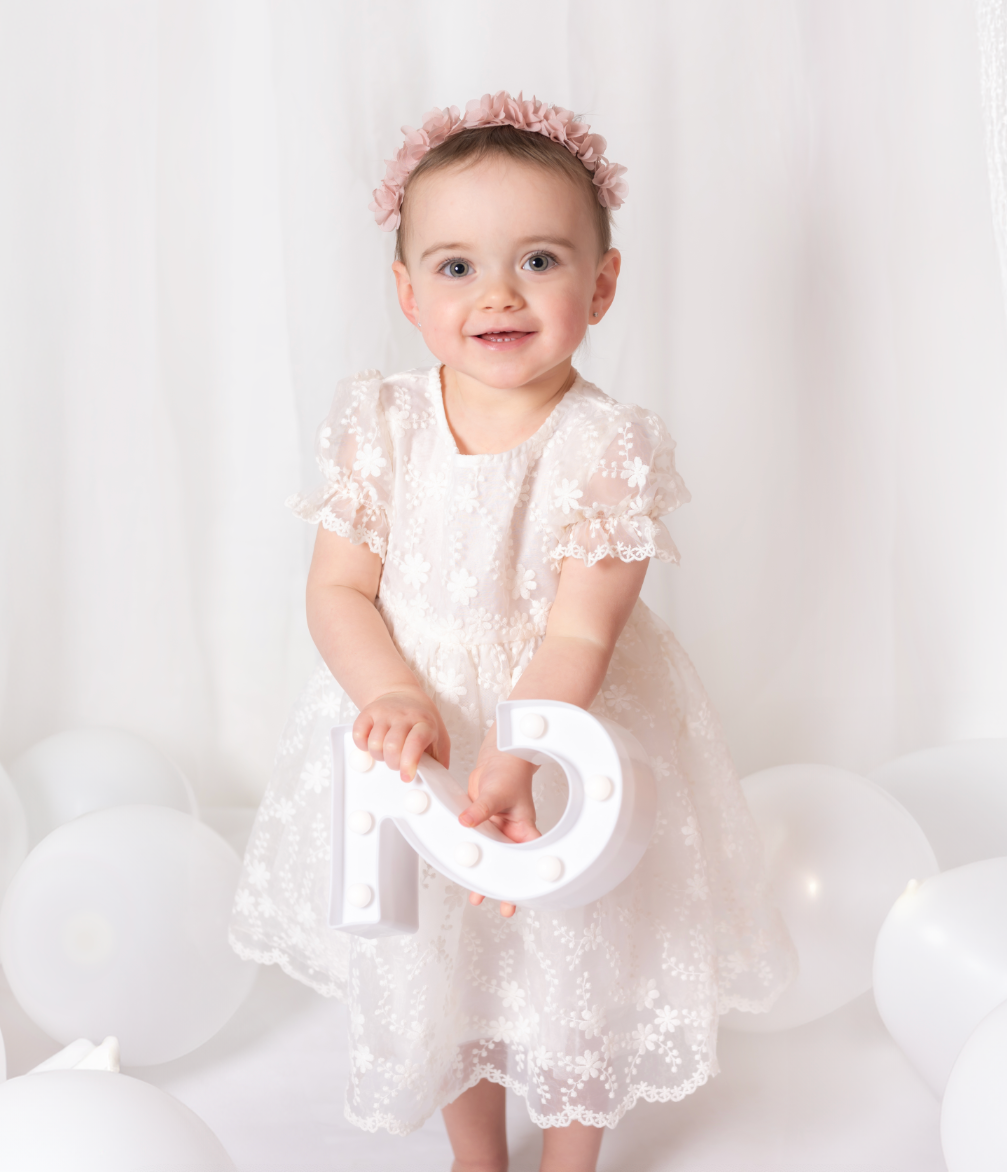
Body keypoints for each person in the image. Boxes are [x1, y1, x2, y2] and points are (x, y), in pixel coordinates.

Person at [230, 92, 795, 1172]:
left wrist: (525, 745)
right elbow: (338, 589)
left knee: (571, 950)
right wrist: (389, 692)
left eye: (538, 259)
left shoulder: (607, 446)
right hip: (416, 722)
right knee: (444, 950)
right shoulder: (380, 424)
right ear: (405, 290)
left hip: (561, 717)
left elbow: (585, 624)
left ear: (603, 282)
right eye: (455, 267)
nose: (497, 292)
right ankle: (474, 1151)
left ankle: (569, 1157)